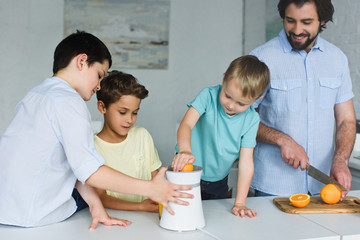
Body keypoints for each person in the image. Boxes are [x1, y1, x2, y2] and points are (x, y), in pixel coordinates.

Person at [0, 31, 192, 229]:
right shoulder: (68, 101)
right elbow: (89, 171)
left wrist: (95, 205)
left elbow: (75, 166)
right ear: (82, 61)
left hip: (6, 207)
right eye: (99, 75)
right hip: (33, 213)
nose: (99, 85)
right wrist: (151, 189)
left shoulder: (35, 94)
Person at [250, 0, 356, 198]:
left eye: (306, 22)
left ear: (322, 20)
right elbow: (240, 118)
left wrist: (340, 160)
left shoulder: (337, 58)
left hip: (323, 185)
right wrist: (282, 140)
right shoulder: (261, 58)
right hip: (273, 186)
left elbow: (346, 120)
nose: (297, 30)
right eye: (290, 21)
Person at [172, 55, 270, 218]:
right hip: (186, 172)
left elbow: (246, 162)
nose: (231, 105)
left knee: (215, 219)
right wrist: (185, 151)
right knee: (181, 216)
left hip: (219, 182)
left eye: (241, 103)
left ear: (258, 98)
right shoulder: (207, 95)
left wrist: (240, 203)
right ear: (224, 79)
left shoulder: (252, 120)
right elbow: (186, 125)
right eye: (228, 95)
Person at [94, 70, 161, 212]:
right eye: (123, 112)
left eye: (135, 112)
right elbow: (101, 196)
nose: (130, 119)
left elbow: (156, 181)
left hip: (147, 219)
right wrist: (140, 207)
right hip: (113, 218)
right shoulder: (92, 146)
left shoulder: (142, 136)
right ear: (102, 107)